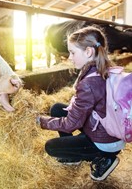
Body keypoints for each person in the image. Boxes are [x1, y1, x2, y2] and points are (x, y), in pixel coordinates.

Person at [36, 26, 126, 181]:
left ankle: (104, 158)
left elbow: (71, 124)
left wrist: (42, 122)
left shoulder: (89, 83)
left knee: (51, 146)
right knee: (58, 108)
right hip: (109, 128)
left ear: (89, 52)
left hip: (105, 141)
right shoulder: (105, 68)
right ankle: (76, 156)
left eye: (73, 52)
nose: (69, 57)